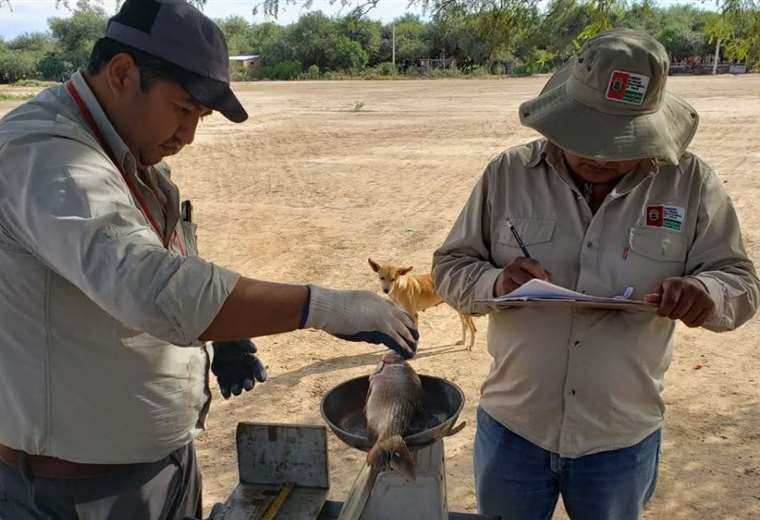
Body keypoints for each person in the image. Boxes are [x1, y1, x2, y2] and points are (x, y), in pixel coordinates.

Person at [0, 1, 417, 518]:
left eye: (199, 116)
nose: (189, 135)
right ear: (123, 74)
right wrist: (326, 307)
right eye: (182, 109)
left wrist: (219, 329)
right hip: (77, 490)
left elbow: (159, 261)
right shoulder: (48, 156)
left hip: (158, 464)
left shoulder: (125, 150)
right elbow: (152, 288)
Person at [432, 28, 759, 520]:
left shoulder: (690, 183)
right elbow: (451, 267)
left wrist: (706, 292)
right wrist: (496, 284)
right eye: (583, 135)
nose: (597, 155)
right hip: (514, 428)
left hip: (620, 438)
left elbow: (739, 280)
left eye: (617, 143)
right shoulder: (507, 174)